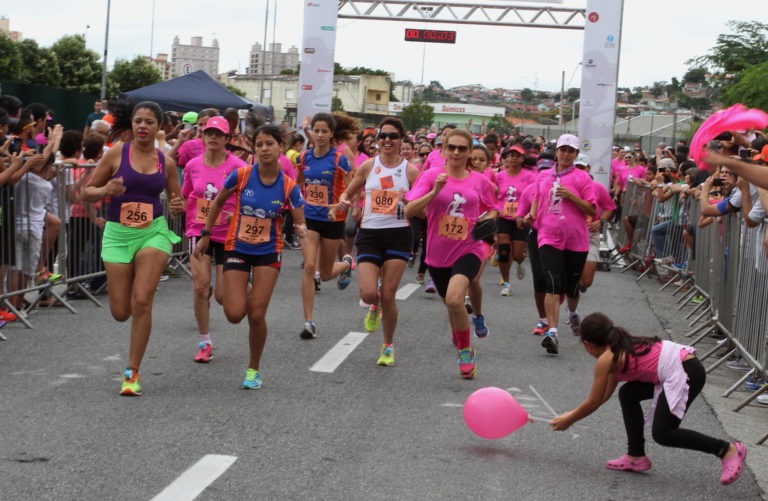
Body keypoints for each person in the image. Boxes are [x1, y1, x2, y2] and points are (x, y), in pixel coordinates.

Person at [550, 313, 747, 486]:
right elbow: (602, 398)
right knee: (627, 394)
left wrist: (569, 419)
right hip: (682, 366)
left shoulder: (606, 358)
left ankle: (726, 449)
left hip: (686, 371)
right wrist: (570, 415)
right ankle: (636, 455)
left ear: (588, 344)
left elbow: (593, 402)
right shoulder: (614, 348)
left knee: (664, 433)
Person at [194, 124, 306, 389]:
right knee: (234, 314)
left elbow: (301, 224)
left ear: (280, 147)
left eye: (269, 144)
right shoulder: (242, 176)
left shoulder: (289, 186)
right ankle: (247, 288)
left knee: (256, 316)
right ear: (253, 149)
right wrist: (207, 233)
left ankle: (253, 369)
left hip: (269, 252)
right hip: (238, 247)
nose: (264, 149)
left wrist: (303, 234)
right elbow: (219, 202)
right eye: (259, 145)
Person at [84, 101, 184, 396]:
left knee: (142, 301)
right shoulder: (117, 153)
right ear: (132, 125)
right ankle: (132, 361)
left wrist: (177, 206)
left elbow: (177, 203)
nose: (142, 126)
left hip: (152, 233)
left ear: (159, 127)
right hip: (117, 234)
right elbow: (88, 191)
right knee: (120, 311)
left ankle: (132, 371)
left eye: (149, 122)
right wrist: (105, 191)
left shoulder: (165, 162)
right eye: (138, 121)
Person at [405, 128, 498, 379]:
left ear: (469, 152)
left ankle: (465, 350)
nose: (456, 152)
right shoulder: (430, 176)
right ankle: (460, 333)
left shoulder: (479, 181)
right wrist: (434, 192)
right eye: (452, 147)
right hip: (437, 252)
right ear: (443, 150)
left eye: (462, 148)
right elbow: (409, 209)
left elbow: (492, 208)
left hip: (469, 248)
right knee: (450, 303)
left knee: (456, 299)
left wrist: (486, 223)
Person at [339, 117, 418, 365]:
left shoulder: (410, 171)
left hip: (398, 235)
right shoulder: (369, 167)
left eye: (393, 136)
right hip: (371, 234)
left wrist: (409, 202)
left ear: (401, 140)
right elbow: (348, 192)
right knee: (369, 293)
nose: (387, 140)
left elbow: (422, 209)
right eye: (383, 135)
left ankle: (387, 346)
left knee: (388, 296)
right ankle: (374, 306)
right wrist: (343, 200)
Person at [182, 116, 248, 363]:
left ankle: (245, 286)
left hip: (228, 235)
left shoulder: (239, 167)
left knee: (222, 297)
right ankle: (205, 342)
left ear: (228, 139)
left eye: (219, 134)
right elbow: (186, 196)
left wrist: (235, 214)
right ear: (203, 135)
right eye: (209, 132)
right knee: (200, 287)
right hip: (198, 232)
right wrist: (177, 206)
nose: (213, 137)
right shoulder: (192, 165)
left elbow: (248, 200)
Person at [529, 134, 596, 354]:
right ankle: (553, 332)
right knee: (552, 284)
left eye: (571, 151)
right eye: (563, 150)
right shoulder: (543, 176)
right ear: (556, 151)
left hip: (576, 240)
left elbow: (592, 210)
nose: (566, 154)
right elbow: (537, 199)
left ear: (576, 155)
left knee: (571, 288)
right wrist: (532, 216)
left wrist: (571, 196)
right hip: (548, 235)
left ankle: (572, 313)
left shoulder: (583, 178)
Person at [295, 112, 357, 339]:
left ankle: (347, 263)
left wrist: (341, 204)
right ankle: (309, 322)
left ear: (331, 134)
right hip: (309, 218)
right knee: (310, 267)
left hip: (332, 220)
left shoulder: (338, 159)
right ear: (312, 131)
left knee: (327, 272)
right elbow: (297, 184)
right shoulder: (303, 159)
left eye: (324, 131)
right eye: (317, 130)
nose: (320, 135)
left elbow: (350, 189)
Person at [494, 145, 536, 296]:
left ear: (522, 159)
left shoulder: (530, 177)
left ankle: (519, 261)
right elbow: (492, 195)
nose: (513, 158)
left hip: (520, 218)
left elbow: (534, 197)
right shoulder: (498, 176)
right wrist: (495, 208)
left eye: (517, 156)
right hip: (503, 218)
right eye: (510, 155)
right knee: (504, 250)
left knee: (517, 254)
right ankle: (506, 282)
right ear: (506, 158)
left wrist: (529, 214)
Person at [575, 154, 615, 291]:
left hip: (590, 236)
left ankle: (577, 285)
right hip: (571, 236)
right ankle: (571, 293)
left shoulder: (597, 187)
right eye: (576, 167)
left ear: (589, 168)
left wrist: (601, 221)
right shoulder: (566, 187)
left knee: (586, 281)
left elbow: (610, 208)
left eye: (582, 167)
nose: (579, 170)